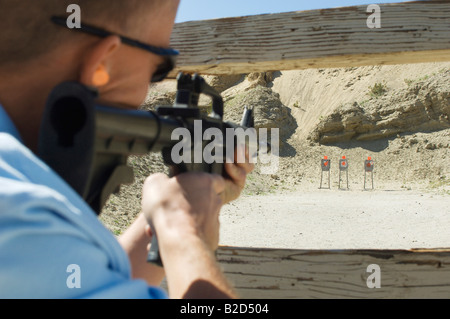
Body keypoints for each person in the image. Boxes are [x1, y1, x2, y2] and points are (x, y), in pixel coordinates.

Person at [0, 0, 253, 299]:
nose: (150, 88)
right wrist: (185, 234)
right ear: (101, 66)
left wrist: (175, 213)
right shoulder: (25, 214)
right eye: (158, 70)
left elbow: (90, 284)